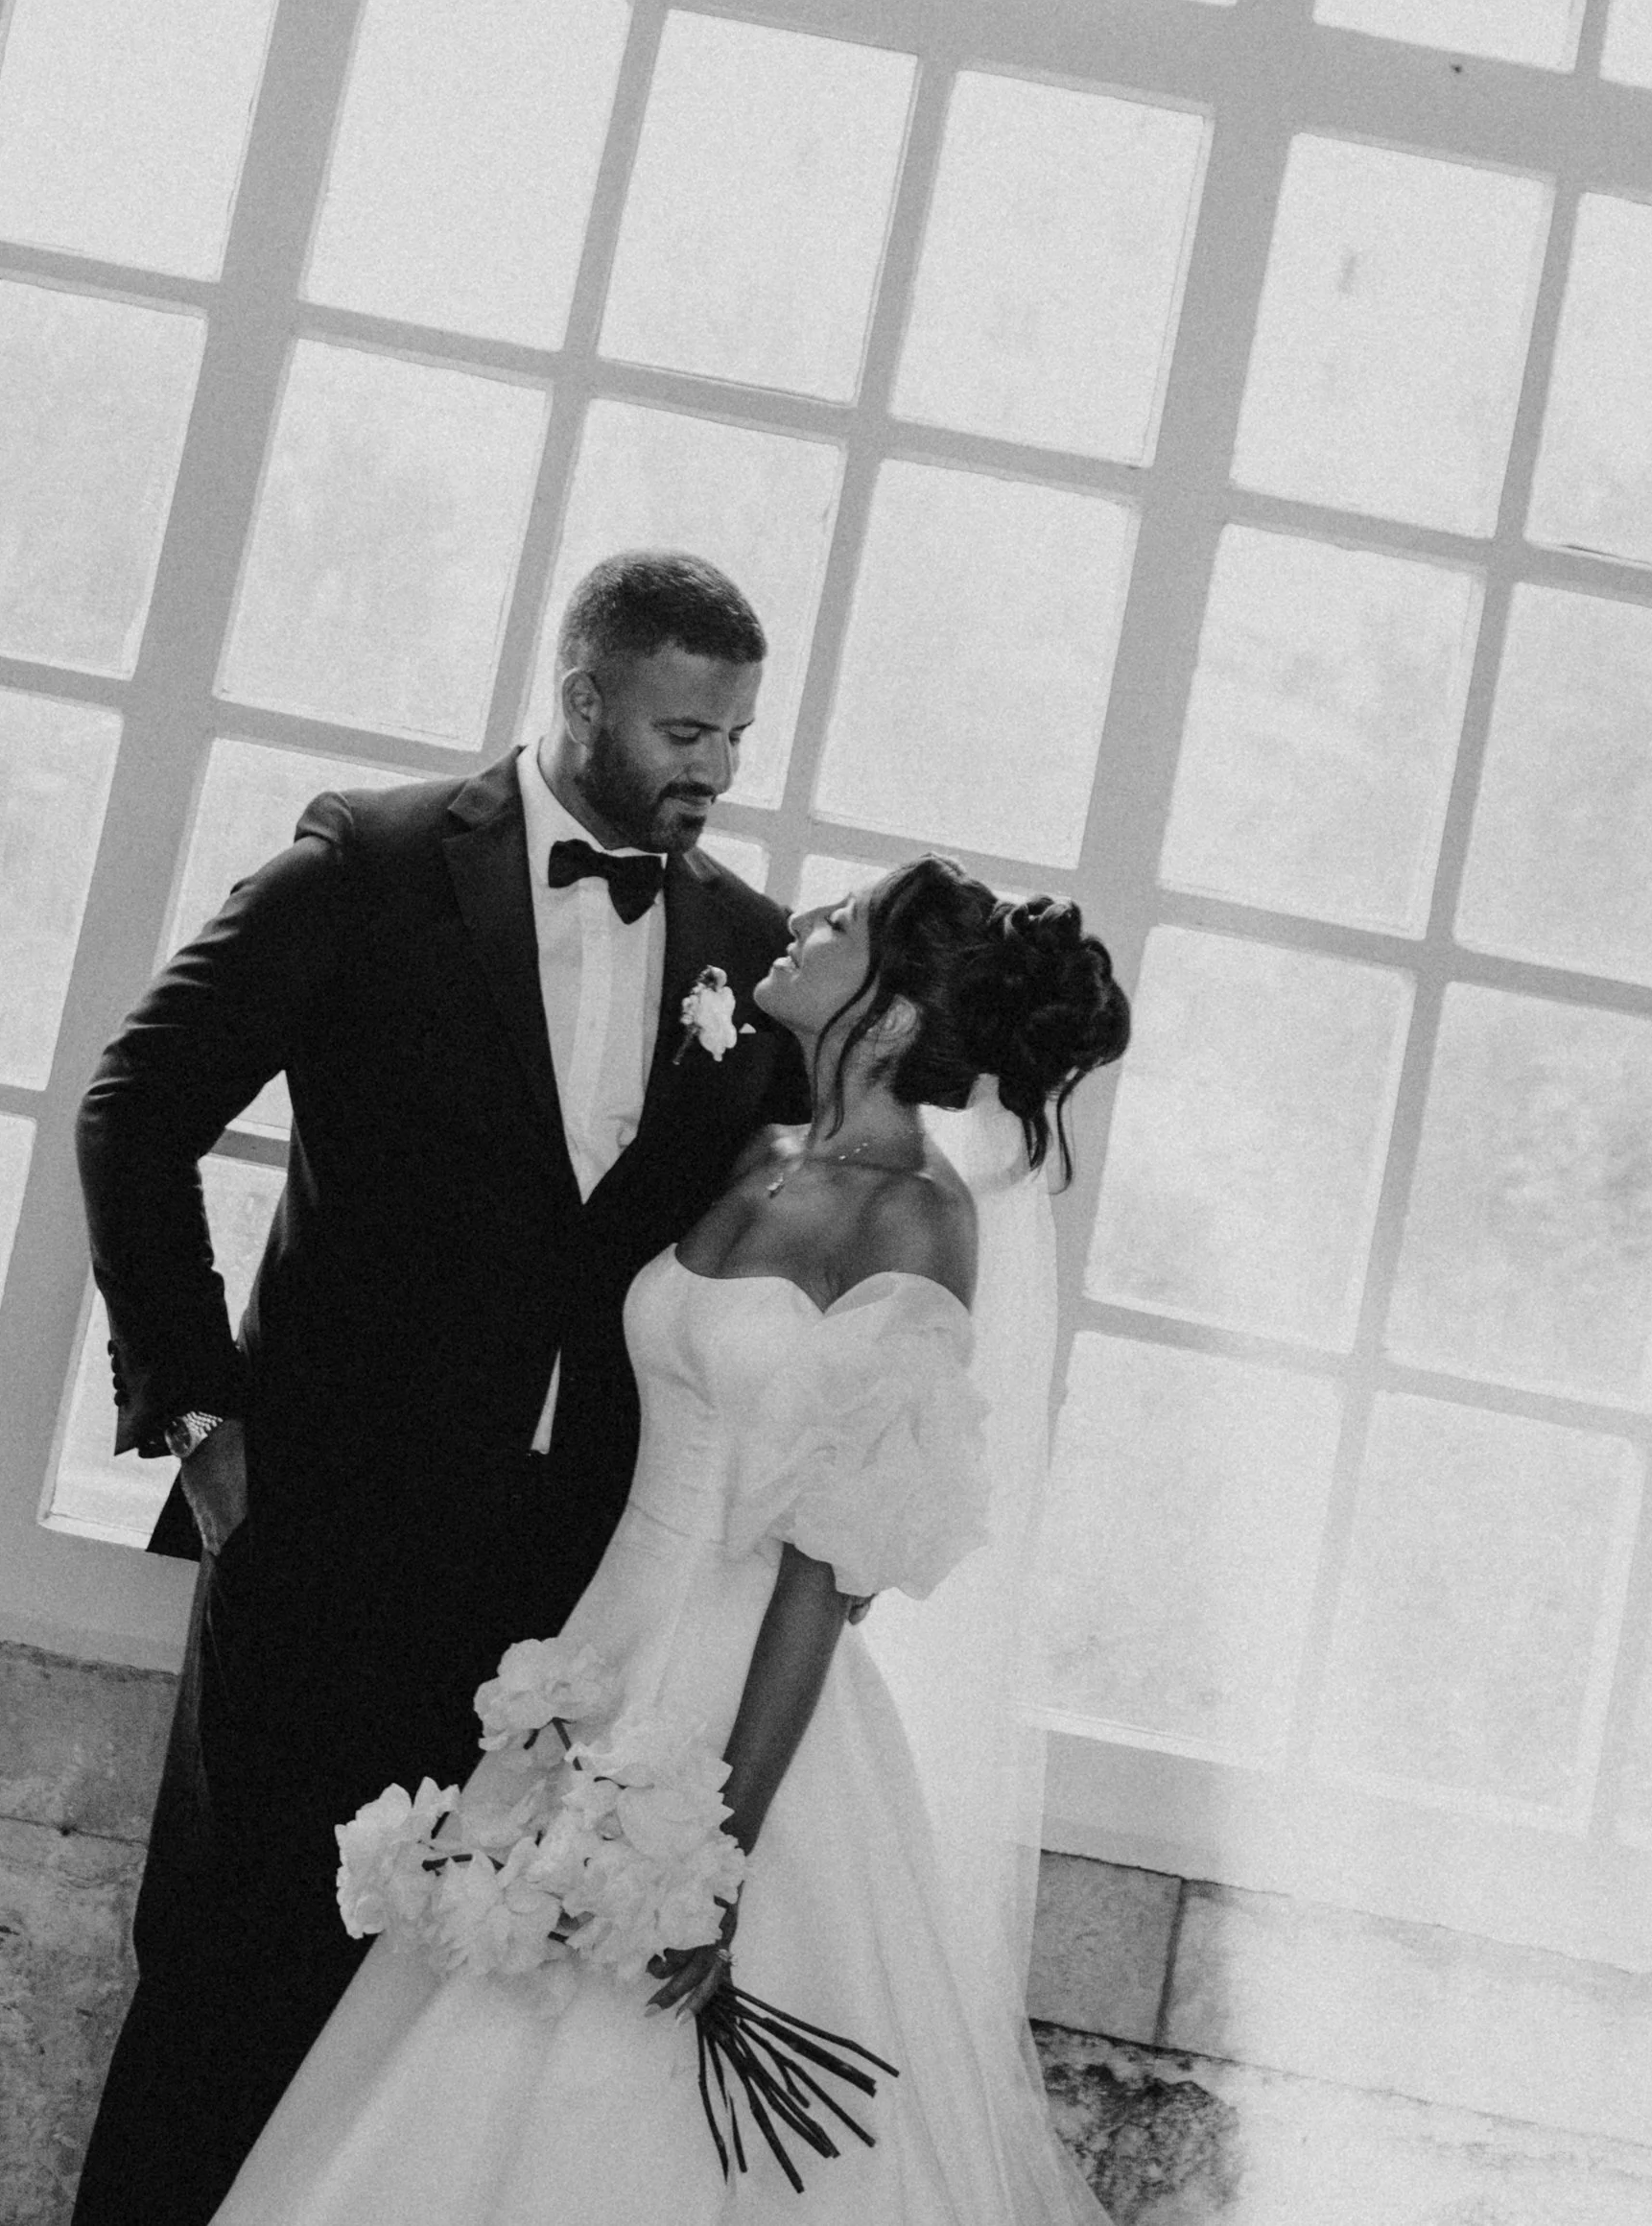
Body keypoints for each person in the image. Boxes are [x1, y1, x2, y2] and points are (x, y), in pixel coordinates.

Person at [209, 855, 1133, 2225]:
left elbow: (828, 1573)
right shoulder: (762, 1151)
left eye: (841, 922)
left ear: (888, 1015)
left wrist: (717, 1852)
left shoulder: (916, 1217)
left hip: (742, 1700)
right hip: (599, 1652)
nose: (800, 921)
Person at [69, 554, 811, 2226]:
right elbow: (136, 1104)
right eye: (684, 728)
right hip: (321, 1538)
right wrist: (198, 1411)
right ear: (582, 697)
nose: (715, 768)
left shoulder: (749, 951)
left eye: (737, 736)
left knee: (439, 2049)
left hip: (577, 1600)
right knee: (227, 1977)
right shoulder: (371, 861)